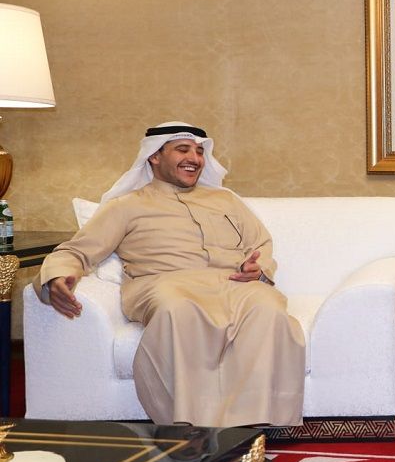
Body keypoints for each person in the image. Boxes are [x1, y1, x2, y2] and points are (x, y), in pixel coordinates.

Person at [34, 122, 307, 428]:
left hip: (234, 285)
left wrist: (258, 268)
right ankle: (189, 428)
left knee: (268, 308)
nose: (195, 158)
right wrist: (58, 276)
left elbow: (260, 244)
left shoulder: (225, 200)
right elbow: (75, 251)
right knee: (179, 310)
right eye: (182, 150)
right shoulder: (126, 206)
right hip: (166, 284)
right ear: (154, 156)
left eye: (199, 152)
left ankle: (252, 427)